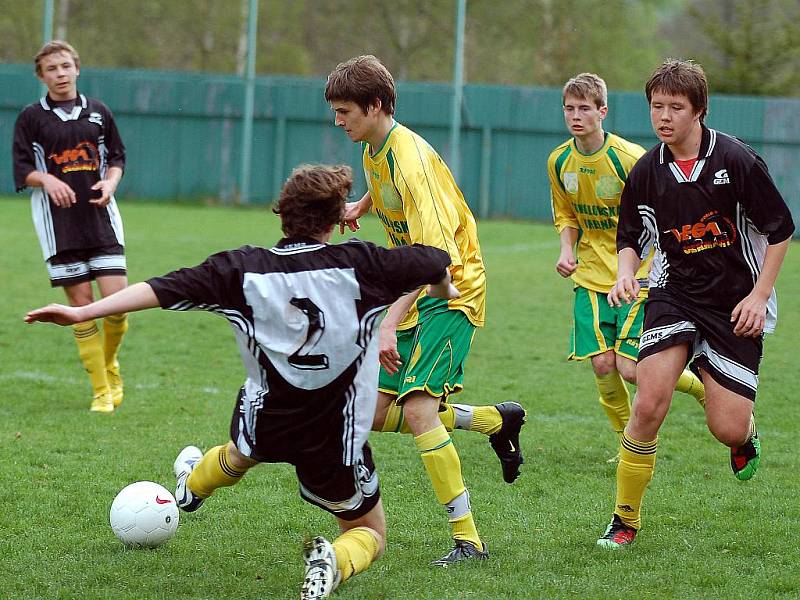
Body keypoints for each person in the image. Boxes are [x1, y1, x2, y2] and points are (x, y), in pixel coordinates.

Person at [26, 164, 459, 599]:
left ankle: (192, 489)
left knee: (241, 451)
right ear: (335, 221)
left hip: (266, 419)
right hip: (334, 432)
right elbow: (436, 259)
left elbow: (158, 289)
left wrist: (83, 312)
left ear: (282, 214)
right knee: (369, 531)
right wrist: (442, 286)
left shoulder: (242, 268)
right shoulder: (363, 263)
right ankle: (335, 560)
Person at [325, 55, 526, 565]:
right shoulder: (377, 145)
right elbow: (382, 180)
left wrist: (389, 322)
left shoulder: (411, 159)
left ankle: (469, 541)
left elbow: (438, 261)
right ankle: (492, 422)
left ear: (375, 106)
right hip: (412, 286)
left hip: (451, 290)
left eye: (345, 111)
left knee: (416, 409)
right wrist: (360, 207)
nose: (338, 121)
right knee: (369, 411)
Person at [596, 59, 795, 549]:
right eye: (656, 107)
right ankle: (624, 520)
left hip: (734, 303)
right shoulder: (646, 171)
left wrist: (759, 295)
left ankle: (744, 435)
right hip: (674, 294)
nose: (663, 117)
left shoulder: (737, 161)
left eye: (675, 108)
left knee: (727, 428)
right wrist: (625, 273)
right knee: (648, 403)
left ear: (699, 110)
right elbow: (631, 237)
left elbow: (780, 230)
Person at [547, 73, 706, 456]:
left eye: (585, 108)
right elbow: (566, 214)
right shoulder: (559, 161)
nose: (576, 116)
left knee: (632, 369)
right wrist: (566, 250)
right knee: (603, 366)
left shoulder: (629, 158)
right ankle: (629, 443)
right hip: (589, 276)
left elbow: (665, 209)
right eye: (569, 108)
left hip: (639, 273)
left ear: (603, 111)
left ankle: (700, 386)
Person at [13, 40, 128, 413]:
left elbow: (116, 158)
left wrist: (110, 183)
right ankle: (100, 391)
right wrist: (47, 180)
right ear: (41, 76)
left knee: (117, 305)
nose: (60, 74)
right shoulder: (31, 117)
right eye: (52, 69)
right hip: (58, 224)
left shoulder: (99, 112)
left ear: (77, 68)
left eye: (65, 66)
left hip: (100, 218)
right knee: (82, 305)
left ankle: (109, 363)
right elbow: (21, 170)